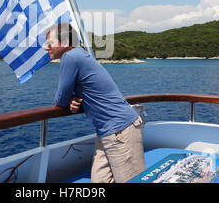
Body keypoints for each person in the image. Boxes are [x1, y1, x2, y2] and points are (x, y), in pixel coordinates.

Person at [43, 23, 146, 183]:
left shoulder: (70, 57)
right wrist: (73, 98)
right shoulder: (79, 54)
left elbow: (60, 99)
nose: (45, 47)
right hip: (107, 132)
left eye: (49, 42)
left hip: (120, 131)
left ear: (64, 41)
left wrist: (69, 98)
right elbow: (84, 91)